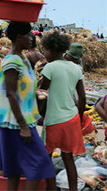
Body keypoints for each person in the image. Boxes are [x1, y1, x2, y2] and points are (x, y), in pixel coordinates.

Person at [0, 22, 56, 191]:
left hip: (22, 120)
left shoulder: (22, 58)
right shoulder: (11, 61)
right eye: (28, 35)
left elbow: (20, 90)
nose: (31, 38)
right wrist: (23, 126)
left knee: (14, 169)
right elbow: (11, 94)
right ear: (19, 37)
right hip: (16, 122)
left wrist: (35, 94)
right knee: (39, 163)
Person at [38, 32, 86, 191]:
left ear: (51, 50)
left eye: (45, 50)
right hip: (71, 119)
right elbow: (82, 97)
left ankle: (51, 189)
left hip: (54, 121)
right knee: (68, 158)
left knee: (48, 158)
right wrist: (78, 118)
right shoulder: (76, 68)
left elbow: (41, 93)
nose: (44, 54)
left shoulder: (50, 67)